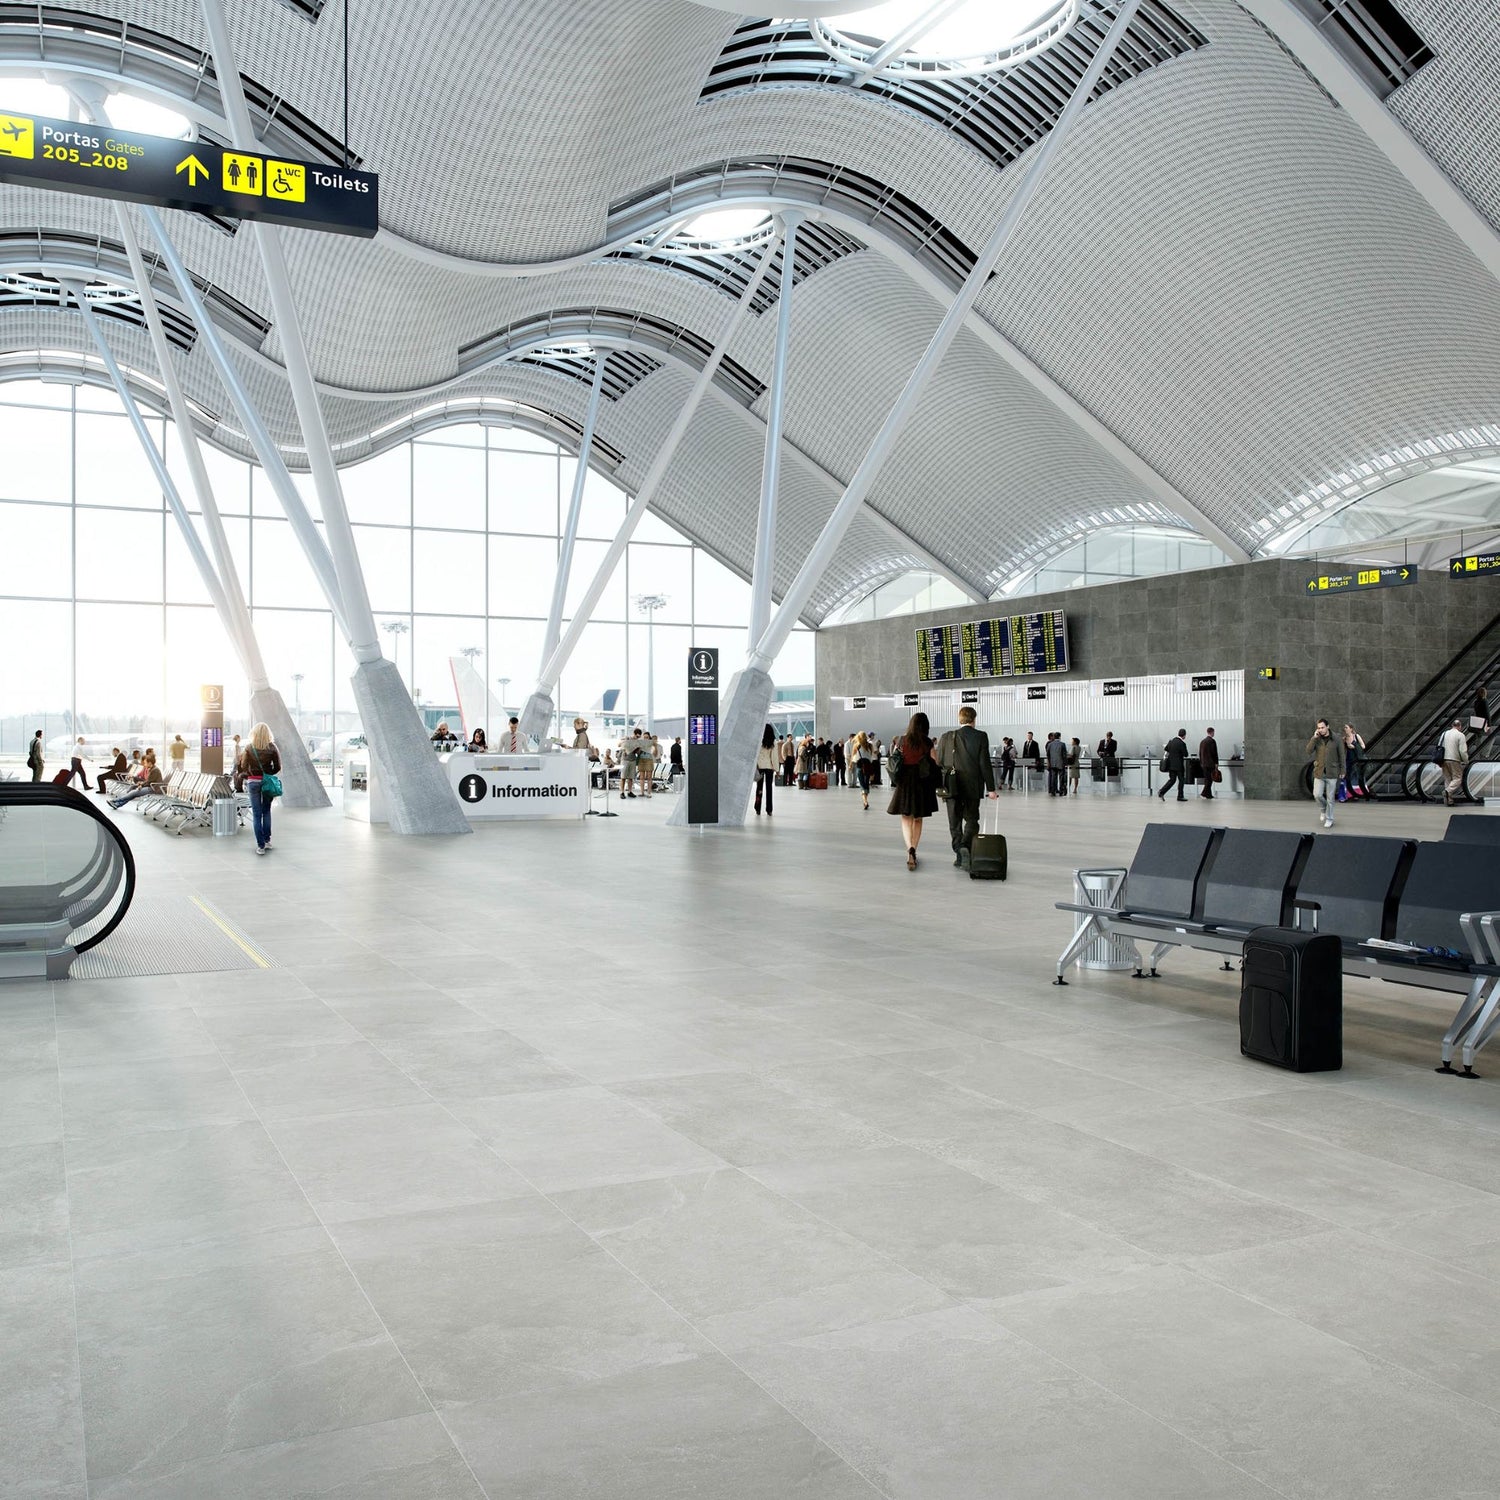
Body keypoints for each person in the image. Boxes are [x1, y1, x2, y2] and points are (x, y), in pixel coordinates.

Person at [938, 706, 996, 867]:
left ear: (960, 719)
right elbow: (984, 764)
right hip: (972, 785)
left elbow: (939, 763)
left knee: (954, 823)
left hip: (951, 786)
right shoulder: (981, 736)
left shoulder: (946, 737)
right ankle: (965, 847)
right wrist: (991, 789)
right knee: (972, 820)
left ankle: (959, 852)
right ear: (974, 720)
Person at [888, 711, 938, 870]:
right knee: (918, 818)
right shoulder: (927, 742)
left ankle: (909, 848)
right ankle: (914, 849)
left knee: (905, 817)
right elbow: (935, 762)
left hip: (905, 782)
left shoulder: (902, 740)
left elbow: (894, 759)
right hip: (922, 782)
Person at [239, 721, 281, 854]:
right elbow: (278, 767)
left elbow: (244, 767)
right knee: (266, 811)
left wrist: (250, 775)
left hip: (253, 783)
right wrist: (268, 775)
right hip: (267, 782)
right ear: (268, 734)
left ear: (254, 733)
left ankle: (260, 846)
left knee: (256, 815)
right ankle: (267, 840)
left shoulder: (249, 748)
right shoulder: (272, 747)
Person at [1307, 717, 1341, 828]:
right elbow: (1308, 751)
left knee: (1330, 798)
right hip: (1319, 772)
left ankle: (1329, 818)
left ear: (1327, 726)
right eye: (1319, 728)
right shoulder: (1317, 739)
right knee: (1317, 794)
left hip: (1332, 772)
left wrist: (1343, 770)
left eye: (1322, 727)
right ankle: (1323, 809)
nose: (1320, 730)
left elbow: (1342, 756)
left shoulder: (1336, 738)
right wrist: (1313, 738)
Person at [1439, 717, 1469, 808]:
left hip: (1443, 759)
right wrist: (1466, 760)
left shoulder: (1444, 733)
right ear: (1460, 726)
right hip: (1454, 759)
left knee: (1448, 779)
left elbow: (1439, 745)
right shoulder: (1460, 735)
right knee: (1457, 778)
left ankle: (1449, 801)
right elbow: (1462, 751)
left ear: (1452, 725)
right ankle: (1448, 791)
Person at [754, 724, 777, 816]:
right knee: (769, 789)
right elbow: (774, 757)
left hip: (760, 767)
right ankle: (769, 809)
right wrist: (777, 769)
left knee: (759, 788)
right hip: (769, 768)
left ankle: (757, 808)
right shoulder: (773, 742)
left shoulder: (758, 740)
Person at [1159, 729, 1188, 802]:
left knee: (1172, 780)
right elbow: (1186, 754)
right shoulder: (1182, 743)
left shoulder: (1171, 741)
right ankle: (1180, 796)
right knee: (1181, 780)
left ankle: (1161, 792)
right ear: (1184, 735)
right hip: (1179, 766)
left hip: (1171, 765)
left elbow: (1166, 749)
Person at [853, 730, 876, 810]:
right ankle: (866, 800)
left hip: (859, 765)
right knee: (866, 784)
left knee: (862, 784)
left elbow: (854, 756)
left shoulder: (857, 745)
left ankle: (865, 801)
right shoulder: (870, 745)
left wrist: (850, 765)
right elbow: (871, 756)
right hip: (868, 766)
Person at [1340, 723, 1365, 797]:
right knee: (1348, 776)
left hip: (1357, 759)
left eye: (1346, 727)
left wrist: (1354, 746)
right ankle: (1348, 794)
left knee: (1356, 776)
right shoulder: (1344, 739)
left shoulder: (1356, 736)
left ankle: (1358, 793)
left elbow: (1363, 746)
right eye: (1344, 727)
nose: (1345, 729)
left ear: (1351, 729)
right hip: (1349, 759)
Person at [1198, 727, 1220, 800]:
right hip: (1210, 764)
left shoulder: (1202, 741)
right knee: (1210, 780)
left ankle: (1209, 794)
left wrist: (1201, 762)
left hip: (1203, 764)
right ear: (1212, 732)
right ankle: (1203, 793)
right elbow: (1214, 753)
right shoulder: (1212, 741)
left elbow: (1200, 754)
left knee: (1207, 779)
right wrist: (1216, 763)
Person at [1045, 731, 1067, 796]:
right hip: (1060, 763)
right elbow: (1064, 755)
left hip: (1052, 763)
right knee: (1061, 777)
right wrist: (1065, 763)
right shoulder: (1062, 744)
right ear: (1059, 737)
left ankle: (1053, 791)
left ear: (1054, 737)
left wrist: (1049, 762)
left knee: (1053, 777)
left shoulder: (1050, 744)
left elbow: (1048, 754)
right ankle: (1061, 790)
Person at [639, 733, 658, 797]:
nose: (645, 738)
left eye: (647, 737)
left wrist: (655, 746)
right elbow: (638, 753)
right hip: (641, 760)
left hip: (649, 760)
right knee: (641, 777)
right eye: (644, 737)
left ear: (649, 738)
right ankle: (642, 792)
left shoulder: (651, 744)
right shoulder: (641, 743)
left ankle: (649, 792)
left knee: (649, 777)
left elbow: (655, 754)